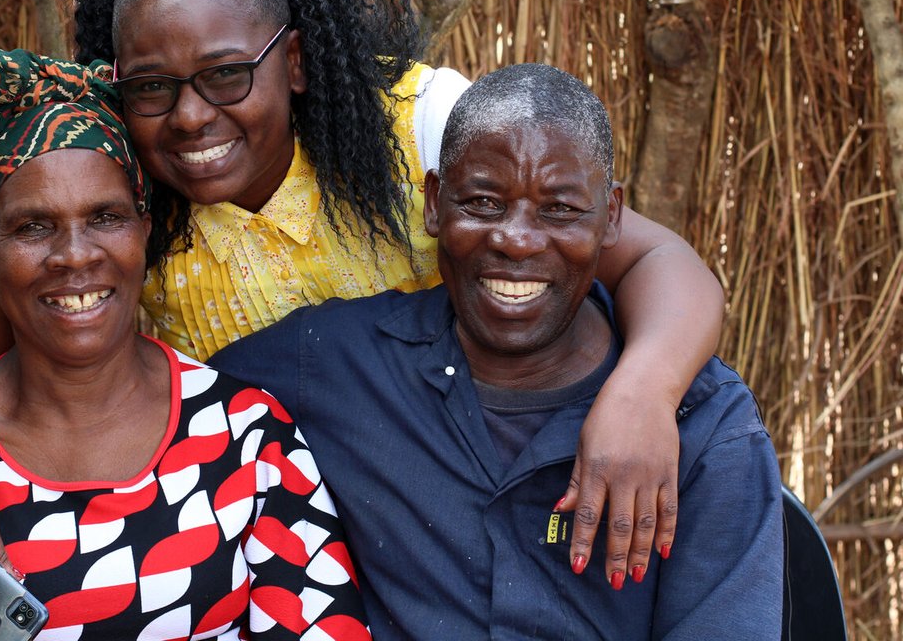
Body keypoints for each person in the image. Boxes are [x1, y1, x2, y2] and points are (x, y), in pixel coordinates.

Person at [0, 0, 725, 640]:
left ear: (299, 60)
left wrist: (641, 393)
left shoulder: (418, 132)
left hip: (463, 519)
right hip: (272, 533)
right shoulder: (124, 218)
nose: (192, 116)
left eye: (228, 74)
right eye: (153, 87)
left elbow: (652, 261)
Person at [208, 63, 784, 639]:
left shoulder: (704, 430)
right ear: (435, 203)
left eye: (559, 210)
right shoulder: (333, 365)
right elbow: (166, 402)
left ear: (610, 217)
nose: (516, 239)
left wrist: (643, 398)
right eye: (484, 202)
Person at [0, 52, 370, 641]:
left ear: (144, 229)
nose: (75, 255)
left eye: (105, 217)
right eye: (33, 227)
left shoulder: (247, 439)